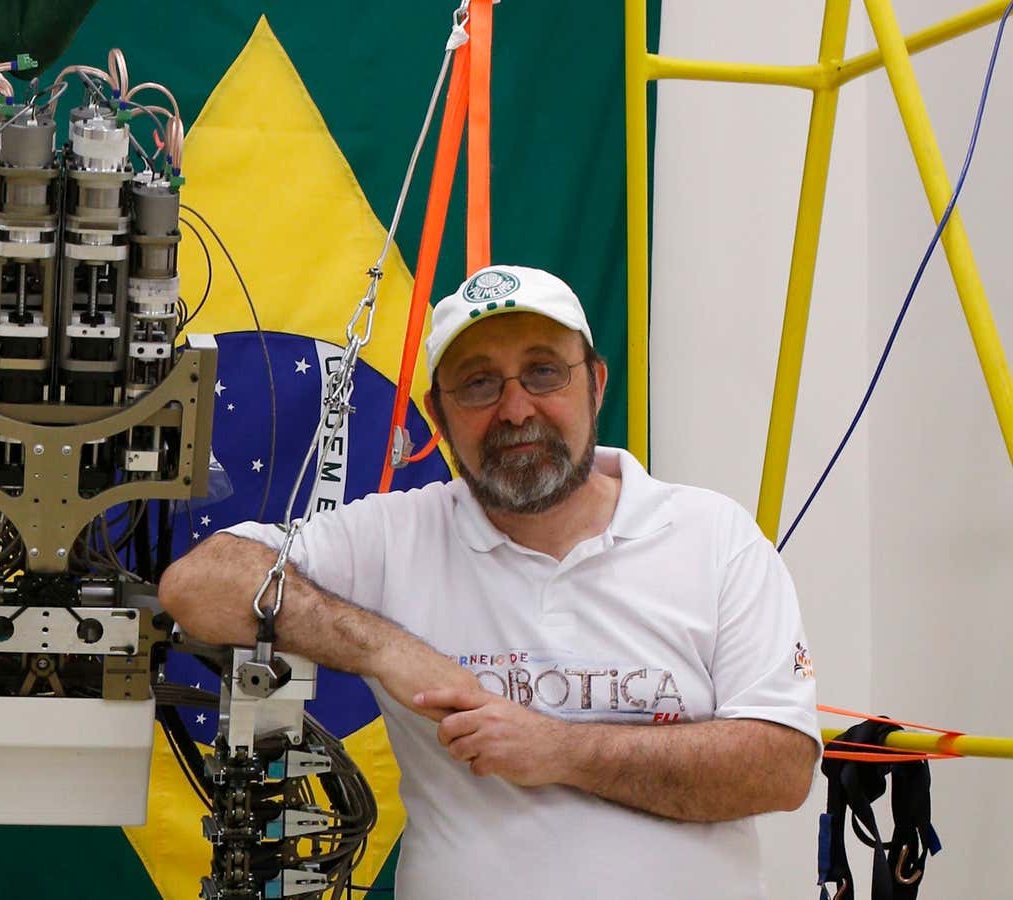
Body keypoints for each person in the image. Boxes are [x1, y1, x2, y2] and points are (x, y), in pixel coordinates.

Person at [158, 265, 821, 898]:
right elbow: (199, 586)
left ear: (595, 382)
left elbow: (780, 768)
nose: (514, 409)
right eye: (478, 383)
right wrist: (385, 650)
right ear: (438, 415)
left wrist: (556, 750)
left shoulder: (714, 538)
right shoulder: (397, 536)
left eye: (543, 372)